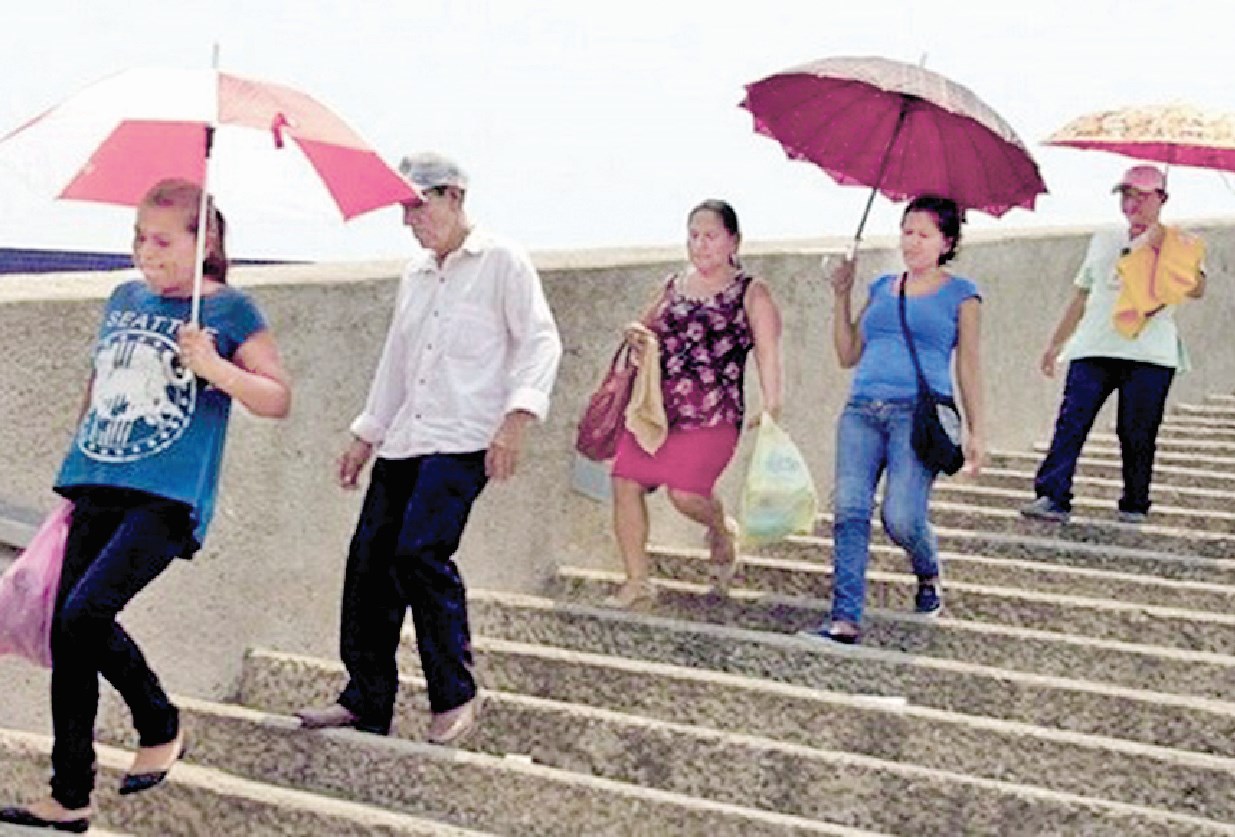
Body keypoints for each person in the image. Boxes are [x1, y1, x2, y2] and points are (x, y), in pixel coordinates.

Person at [0, 178, 292, 832]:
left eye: (162, 239)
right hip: (96, 482)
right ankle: (69, 793)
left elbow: (277, 397)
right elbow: (99, 382)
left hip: (164, 495)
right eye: (138, 236)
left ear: (205, 241)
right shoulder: (123, 296)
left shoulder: (230, 311)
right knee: (66, 634)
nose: (145, 251)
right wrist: (75, 470)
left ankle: (160, 721)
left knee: (85, 612)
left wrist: (212, 365)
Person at [294, 152, 561, 745]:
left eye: (418, 205)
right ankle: (366, 697)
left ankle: (455, 692)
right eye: (403, 208)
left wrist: (516, 420)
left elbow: (541, 343)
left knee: (420, 554)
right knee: (368, 563)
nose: (410, 219)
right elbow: (397, 361)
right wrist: (366, 434)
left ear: (454, 197)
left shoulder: (502, 262)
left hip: (466, 437)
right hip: (405, 440)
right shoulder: (414, 276)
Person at [800, 195, 984, 645]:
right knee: (849, 510)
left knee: (901, 517)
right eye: (906, 231)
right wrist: (841, 294)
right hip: (862, 409)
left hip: (916, 416)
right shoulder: (883, 287)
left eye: (923, 234)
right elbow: (847, 354)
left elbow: (970, 366)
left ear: (947, 241)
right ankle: (844, 618)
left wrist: (977, 430)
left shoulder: (963, 294)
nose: (911, 242)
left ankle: (928, 571)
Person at [603, 199, 783, 610]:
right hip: (660, 412)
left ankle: (721, 529)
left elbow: (768, 350)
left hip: (715, 414)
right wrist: (636, 334)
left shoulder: (750, 291)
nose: (700, 245)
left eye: (711, 236)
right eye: (694, 236)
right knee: (625, 479)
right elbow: (646, 326)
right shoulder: (674, 284)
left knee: (685, 494)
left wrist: (773, 401)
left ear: (734, 241)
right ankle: (637, 582)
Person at [1020, 165, 1206, 526]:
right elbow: (1083, 292)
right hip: (1094, 344)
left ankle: (1135, 501)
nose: (1132, 202)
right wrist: (1056, 342)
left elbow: (1197, 288)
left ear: (1160, 199)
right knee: (1072, 420)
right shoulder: (1104, 238)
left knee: (1137, 430)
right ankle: (1052, 493)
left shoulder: (1178, 242)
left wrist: (1161, 250)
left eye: (1141, 195)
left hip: (1149, 351)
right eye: (1126, 194)